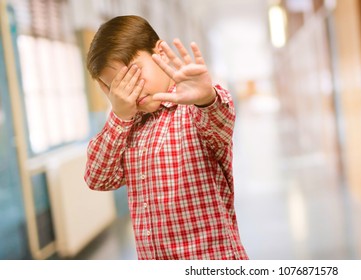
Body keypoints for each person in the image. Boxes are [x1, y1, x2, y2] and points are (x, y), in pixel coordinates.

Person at [84, 15, 248, 260]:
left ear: (159, 52)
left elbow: (219, 121)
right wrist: (119, 116)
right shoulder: (127, 128)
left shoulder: (194, 110)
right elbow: (98, 178)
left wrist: (205, 98)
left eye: (135, 75)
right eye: (118, 87)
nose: (133, 92)